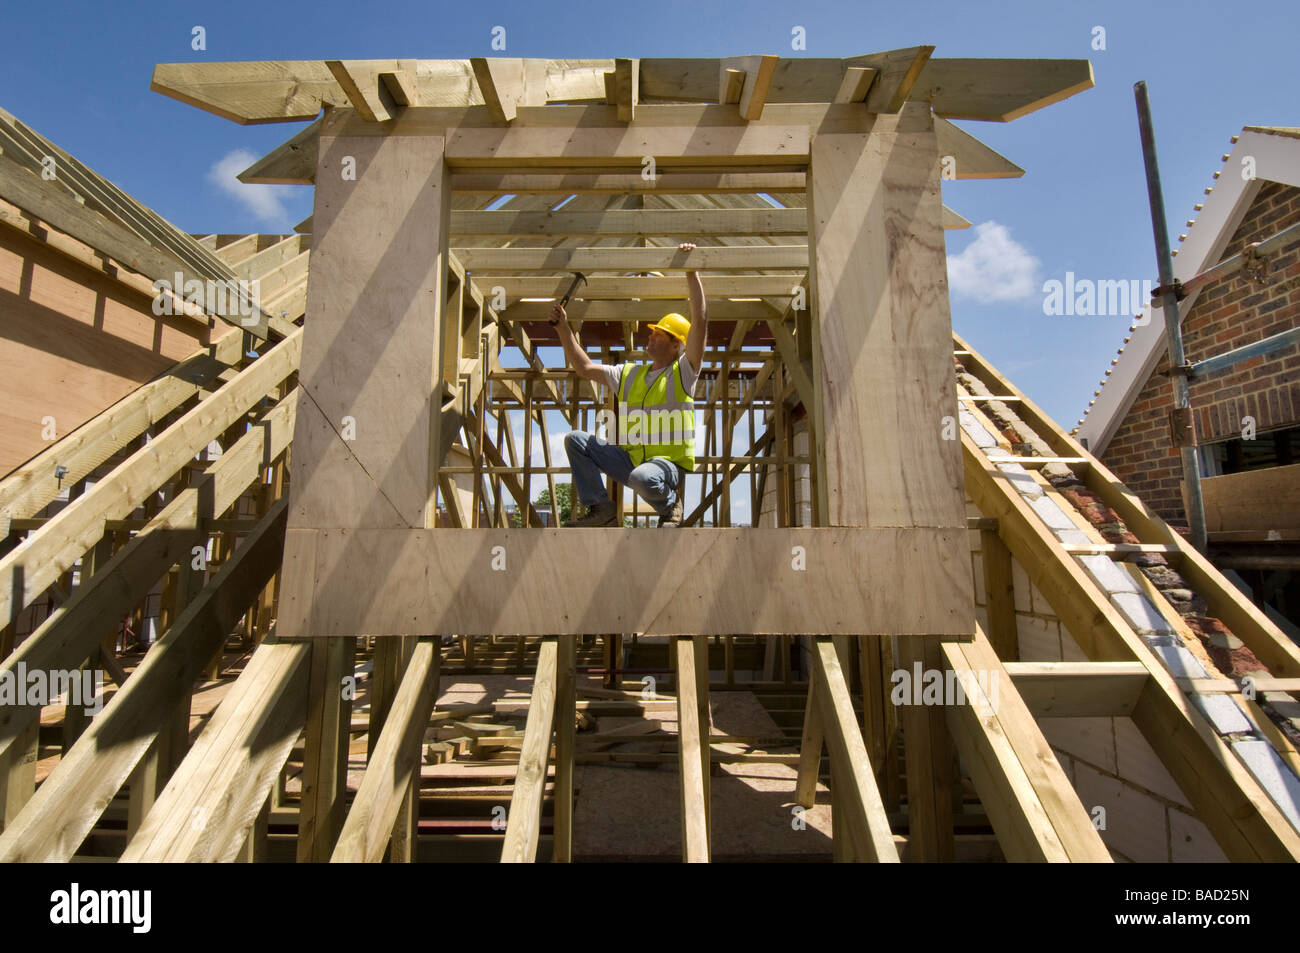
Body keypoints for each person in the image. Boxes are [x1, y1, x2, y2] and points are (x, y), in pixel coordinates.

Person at [551, 241, 707, 527]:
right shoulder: (629, 374)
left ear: (677, 346)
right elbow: (584, 367)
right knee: (576, 440)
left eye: (660, 333)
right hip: (631, 460)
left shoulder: (684, 373)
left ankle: (670, 505)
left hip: (666, 467)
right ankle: (601, 509)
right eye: (653, 332)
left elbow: (700, 319)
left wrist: (691, 272)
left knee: (642, 478)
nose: (651, 336)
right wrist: (563, 329)